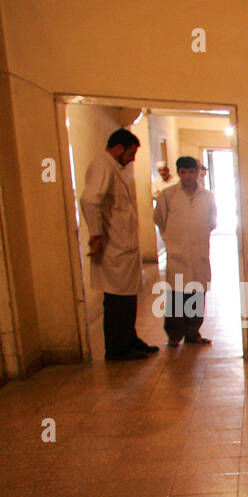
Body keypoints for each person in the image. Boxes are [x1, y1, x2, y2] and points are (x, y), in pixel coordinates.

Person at [81, 128, 156, 360]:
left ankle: (129, 339)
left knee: (128, 298)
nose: (133, 159)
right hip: (114, 247)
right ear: (118, 148)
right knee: (116, 302)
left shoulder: (117, 167)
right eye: (131, 153)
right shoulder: (103, 166)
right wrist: (96, 234)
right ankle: (117, 348)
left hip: (124, 246)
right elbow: (89, 200)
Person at [153, 155, 217, 345]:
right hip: (177, 252)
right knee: (176, 295)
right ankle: (174, 335)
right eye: (183, 172)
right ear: (178, 173)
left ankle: (192, 333)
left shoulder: (207, 196)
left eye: (191, 171)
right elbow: (160, 219)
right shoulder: (168, 195)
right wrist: (173, 240)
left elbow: (212, 221)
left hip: (198, 252)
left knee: (197, 292)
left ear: (198, 172)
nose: (187, 176)